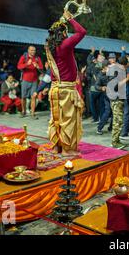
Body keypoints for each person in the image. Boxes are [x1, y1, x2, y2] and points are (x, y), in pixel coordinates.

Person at [45, 11, 86, 156]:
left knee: (55, 119)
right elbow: (81, 32)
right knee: (68, 120)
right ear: (62, 34)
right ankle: (68, 150)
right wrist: (71, 19)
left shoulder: (49, 47)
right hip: (66, 90)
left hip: (54, 88)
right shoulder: (65, 45)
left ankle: (56, 147)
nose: (67, 35)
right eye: (66, 32)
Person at [17, 45, 43, 119]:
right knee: (23, 97)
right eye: (31, 50)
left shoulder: (37, 58)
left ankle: (32, 113)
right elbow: (18, 66)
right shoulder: (24, 57)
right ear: (28, 50)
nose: (33, 52)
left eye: (34, 50)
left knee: (33, 96)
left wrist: (37, 66)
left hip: (34, 80)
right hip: (25, 80)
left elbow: (41, 68)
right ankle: (23, 112)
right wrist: (27, 64)